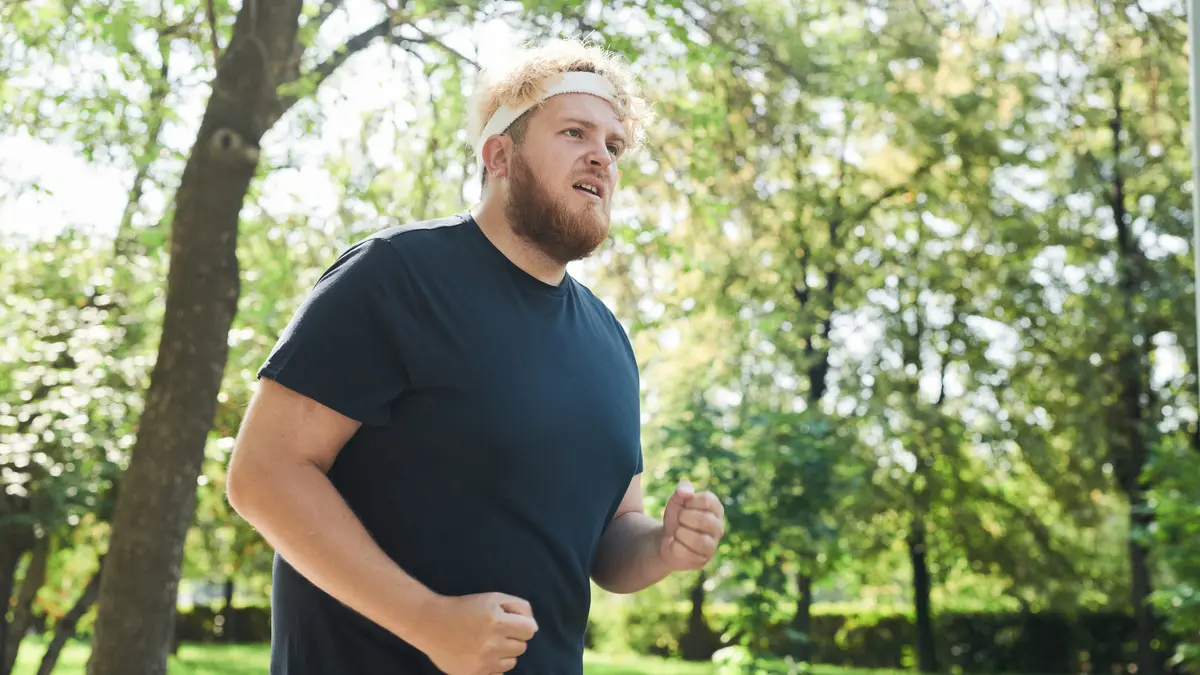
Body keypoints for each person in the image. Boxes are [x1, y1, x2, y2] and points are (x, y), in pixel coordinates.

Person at [226, 38, 727, 675]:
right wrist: (428, 621)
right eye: (574, 131)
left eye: (614, 145)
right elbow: (264, 473)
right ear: (499, 155)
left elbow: (608, 539)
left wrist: (662, 545)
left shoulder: (610, 343)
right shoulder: (396, 277)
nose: (600, 156)